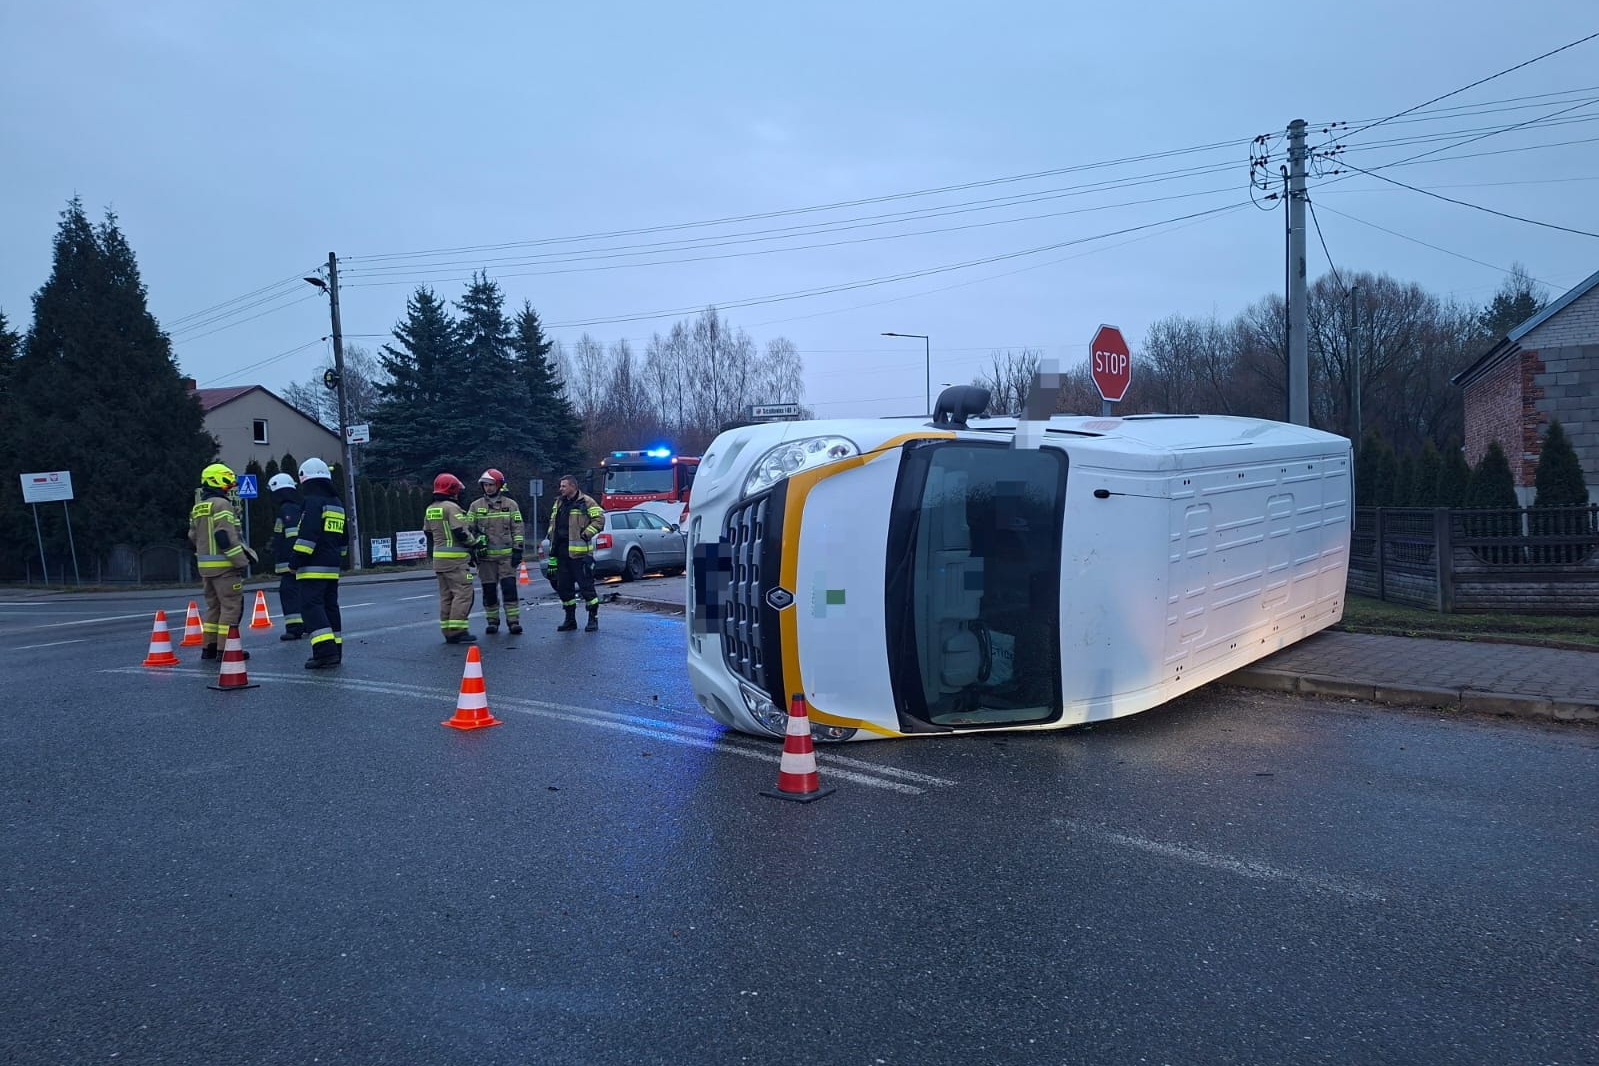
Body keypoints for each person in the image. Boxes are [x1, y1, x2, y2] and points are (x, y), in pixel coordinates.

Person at [188, 462, 254, 660]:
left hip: (206, 568)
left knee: (213, 607)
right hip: (225, 567)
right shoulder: (222, 504)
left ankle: (209, 648)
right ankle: (226, 649)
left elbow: (192, 536)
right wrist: (241, 561)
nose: (230, 485)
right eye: (227, 481)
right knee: (231, 607)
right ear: (216, 480)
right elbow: (224, 536)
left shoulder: (199, 507)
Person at [288, 457, 348, 668]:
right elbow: (344, 538)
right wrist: (337, 558)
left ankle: (324, 653)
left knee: (311, 607)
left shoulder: (312, 502)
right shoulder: (336, 502)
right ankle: (335, 650)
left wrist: (295, 561)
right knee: (330, 607)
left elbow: (308, 536)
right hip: (332, 566)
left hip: (312, 566)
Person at [425, 473, 485, 643]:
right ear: (452, 490)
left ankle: (448, 631)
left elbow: (427, 533)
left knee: (447, 596)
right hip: (456, 560)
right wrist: (475, 543)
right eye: (457, 490)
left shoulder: (431, 508)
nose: (459, 493)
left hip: (439, 560)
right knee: (463, 593)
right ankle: (458, 630)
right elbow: (460, 531)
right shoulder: (452, 508)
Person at [467, 468, 526, 635]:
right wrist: (473, 548)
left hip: (507, 558)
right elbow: (468, 529)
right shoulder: (475, 506)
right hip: (485, 559)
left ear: (499, 485)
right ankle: (492, 622)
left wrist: (518, 550)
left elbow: (518, 528)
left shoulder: (510, 505)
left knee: (509, 589)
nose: (488, 488)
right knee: (489, 591)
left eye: (491, 485)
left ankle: (513, 622)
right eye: (485, 485)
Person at [548, 474, 605, 632]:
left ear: (573, 486)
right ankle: (570, 619)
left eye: (564, 486)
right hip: (562, 552)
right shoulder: (559, 503)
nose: (561, 489)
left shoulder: (586, 502)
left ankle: (593, 619)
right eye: (560, 486)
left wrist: (586, 534)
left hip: (580, 555)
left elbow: (599, 520)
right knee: (564, 588)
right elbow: (553, 524)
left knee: (587, 588)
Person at [268, 472, 305, 641]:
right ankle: (304, 624)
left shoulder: (288, 509)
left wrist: (293, 561)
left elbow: (292, 536)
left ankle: (294, 628)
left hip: (291, 564)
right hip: (292, 562)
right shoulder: (292, 508)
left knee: (289, 593)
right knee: (297, 593)